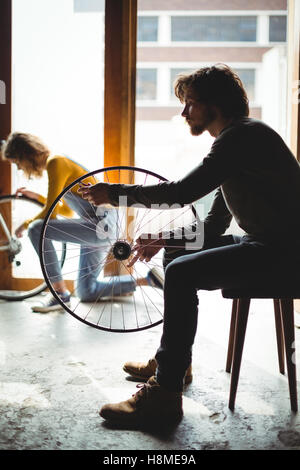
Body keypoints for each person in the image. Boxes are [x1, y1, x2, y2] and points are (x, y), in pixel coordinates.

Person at [78, 63, 300, 427]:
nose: (184, 113)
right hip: (267, 244)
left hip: (284, 254)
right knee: (179, 253)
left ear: (215, 104)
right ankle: (176, 366)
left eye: (191, 103)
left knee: (181, 273)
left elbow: (181, 192)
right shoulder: (239, 139)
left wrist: (115, 194)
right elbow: (214, 226)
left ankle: (165, 395)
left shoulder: (240, 138)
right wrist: (165, 238)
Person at [1, 133, 162, 313]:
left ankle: (59, 293)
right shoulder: (57, 163)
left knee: (35, 229)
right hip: (103, 224)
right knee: (86, 291)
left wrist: (24, 224)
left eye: (17, 162)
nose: (19, 168)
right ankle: (148, 280)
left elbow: (50, 214)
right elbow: (67, 211)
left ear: (25, 154)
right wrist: (37, 197)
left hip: (102, 225)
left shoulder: (56, 162)